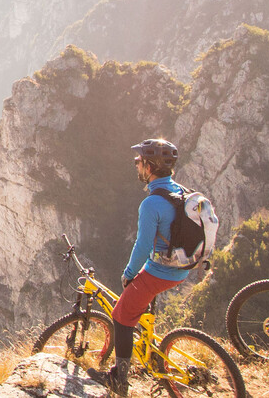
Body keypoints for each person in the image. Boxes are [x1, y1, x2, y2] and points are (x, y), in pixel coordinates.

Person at [95, 138, 191, 396]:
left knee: (121, 316)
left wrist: (128, 275)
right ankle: (148, 342)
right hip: (184, 267)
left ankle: (119, 380)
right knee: (138, 300)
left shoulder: (151, 204)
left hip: (162, 271)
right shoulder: (181, 191)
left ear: (149, 166)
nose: (135, 164)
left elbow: (143, 246)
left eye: (138, 161)